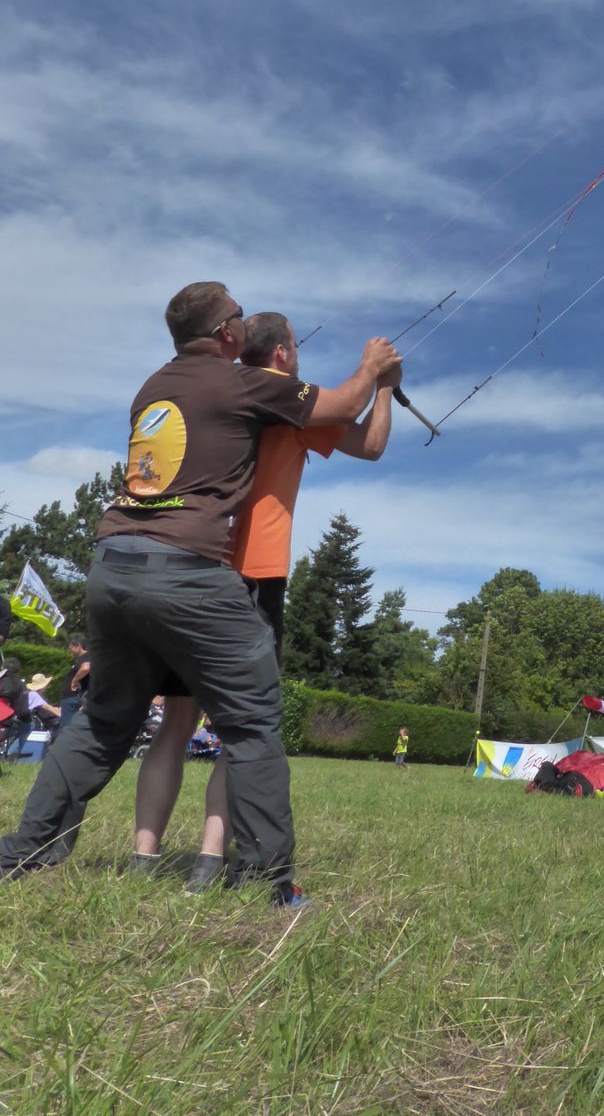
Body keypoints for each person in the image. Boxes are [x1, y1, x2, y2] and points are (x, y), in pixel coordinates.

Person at [0, 281, 399, 906]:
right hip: (189, 573)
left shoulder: (152, 387)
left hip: (112, 564)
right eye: (237, 316)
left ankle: (20, 855)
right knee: (251, 725)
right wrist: (375, 369)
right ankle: (270, 884)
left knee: (105, 721)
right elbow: (348, 403)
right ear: (226, 335)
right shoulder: (241, 382)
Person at [133, 310, 401, 891]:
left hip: (189, 566)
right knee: (242, 728)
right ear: (281, 355)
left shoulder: (220, 392)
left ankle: (143, 858)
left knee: (175, 722)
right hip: (254, 575)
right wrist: (382, 387)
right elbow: (372, 445)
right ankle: (209, 861)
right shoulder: (287, 400)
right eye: (297, 348)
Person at [50, 638, 90, 740]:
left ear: (78, 646)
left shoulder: (86, 657)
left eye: (71, 647)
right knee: (72, 725)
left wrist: (74, 681)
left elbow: (86, 668)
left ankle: (62, 750)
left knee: (66, 726)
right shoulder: (84, 658)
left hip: (72, 697)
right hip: (73, 697)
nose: (70, 650)